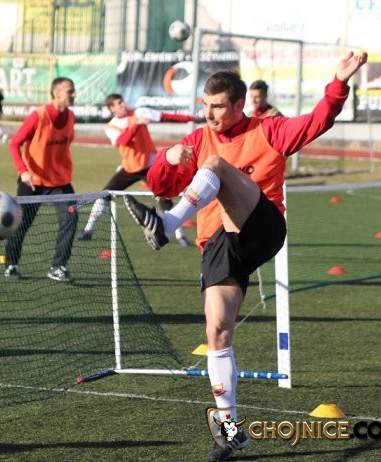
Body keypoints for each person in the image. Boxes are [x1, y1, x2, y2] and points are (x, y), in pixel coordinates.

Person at [123, 52, 368, 461]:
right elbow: (158, 184)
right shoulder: (197, 138)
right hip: (219, 243)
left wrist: (339, 83)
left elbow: (318, 120)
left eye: (218, 106)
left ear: (240, 105)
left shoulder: (268, 130)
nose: (209, 114)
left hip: (263, 228)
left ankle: (167, 225)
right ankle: (230, 431)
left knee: (216, 166)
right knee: (217, 331)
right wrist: (167, 159)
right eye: (205, 105)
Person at [77, 93, 197, 246]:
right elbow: (123, 141)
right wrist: (136, 125)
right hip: (130, 168)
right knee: (104, 195)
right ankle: (88, 230)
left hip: (150, 166)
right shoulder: (110, 127)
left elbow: (165, 116)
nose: (123, 104)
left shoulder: (139, 112)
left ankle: (180, 236)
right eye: (118, 103)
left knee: (165, 197)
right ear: (112, 108)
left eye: (122, 101)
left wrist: (191, 118)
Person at [4, 77, 78, 283]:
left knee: (70, 218)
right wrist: (23, 171)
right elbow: (14, 144)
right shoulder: (38, 115)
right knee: (21, 224)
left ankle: (58, 267)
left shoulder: (71, 117)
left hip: (60, 182)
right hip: (32, 181)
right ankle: (11, 264)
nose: (74, 95)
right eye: (70, 91)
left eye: (73, 91)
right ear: (57, 94)